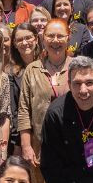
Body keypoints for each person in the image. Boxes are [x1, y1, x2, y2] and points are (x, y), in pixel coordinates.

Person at [16, 18, 71, 168]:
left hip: (72, 144)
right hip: (40, 146)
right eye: (50, 36)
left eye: (60, 36)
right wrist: (26, 145)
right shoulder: (32, 69)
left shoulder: (77, 67)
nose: (55, 41)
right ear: (43, 38)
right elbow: (24, 110)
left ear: (68, 38)